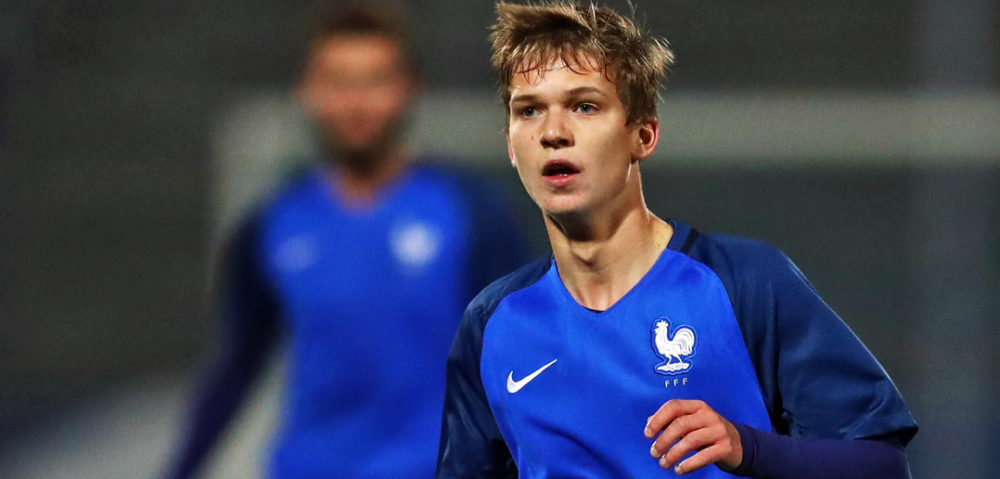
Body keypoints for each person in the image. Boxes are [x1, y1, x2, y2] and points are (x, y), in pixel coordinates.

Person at [436, 2, 918, 478]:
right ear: (510, 146)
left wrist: (747, 447)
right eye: (530, 111)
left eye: (584, 106)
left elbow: (882, 465)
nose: (553, 132)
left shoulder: (744, 283)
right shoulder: (492, 324)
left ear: (642, 135)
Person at [165, 3, 529, 479]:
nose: (356, 102)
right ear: (308, 90)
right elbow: (235, 367)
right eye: (338, 82)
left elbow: (522, 352)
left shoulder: (468, 210)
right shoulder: (272, 226)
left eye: (375, 81)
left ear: (407, 88)